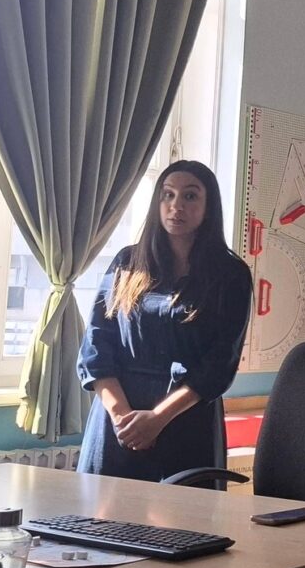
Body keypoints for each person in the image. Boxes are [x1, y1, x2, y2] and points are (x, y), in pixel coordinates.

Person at [77, 160, 253, 482]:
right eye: (168, 195)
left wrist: (157, 419)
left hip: (186, 420)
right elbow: (97, 346)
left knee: (181, 512)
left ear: (209, 206)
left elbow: (219, 364)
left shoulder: (231, 274)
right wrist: (121, 417)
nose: (176, 206)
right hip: (118, 420)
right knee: (102, 510)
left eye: (190, 196)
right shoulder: (127, 263)